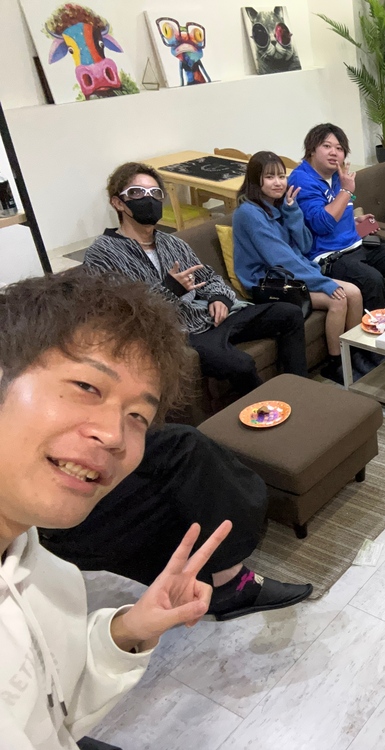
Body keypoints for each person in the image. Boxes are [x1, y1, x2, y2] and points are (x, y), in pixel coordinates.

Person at [0, 268, 234, 749]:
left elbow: (53, 709)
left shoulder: (44, 571)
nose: (114, 435)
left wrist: (129, 630)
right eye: (87, 387)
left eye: (137, 416)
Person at [40, 423, 313, 623]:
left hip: (60, 499)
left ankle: (211, 572)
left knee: (178, 454)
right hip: (62, 528)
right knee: (183, 451)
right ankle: (228, 581)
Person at [84, 162, 308, 399]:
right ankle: (268, 411)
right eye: (137, 192)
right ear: (118, 202)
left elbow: (209, 277)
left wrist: (219, 297)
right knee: (240, 364)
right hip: (179, 334)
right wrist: (170, 290)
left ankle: (298, 390)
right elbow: (123, 314)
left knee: (289, 313)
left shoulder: (172, 243)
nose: (148, 199)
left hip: (208, 317)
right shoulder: (102, 254)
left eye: (155, 193)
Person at [232, 151, 371, 383]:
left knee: (354, 293)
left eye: (281, 176)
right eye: (269, 177)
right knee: (337, 299)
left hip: (290, 276)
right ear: (256, 180)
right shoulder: (248, 213)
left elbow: (305, 245)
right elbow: (280, 259)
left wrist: (292, 211)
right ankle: (335, 364)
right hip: (267, 283)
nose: (278, 182)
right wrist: (323, 283)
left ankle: (355, 355)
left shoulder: (278, 205)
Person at [288, 123, 385, 310]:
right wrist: (346, 191)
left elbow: (335, 208)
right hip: (328, 256)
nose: (334, 153)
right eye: (327, 146)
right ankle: (382, 327)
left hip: (355, 244)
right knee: (372, 280)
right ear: (311, 150)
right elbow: (321, 224)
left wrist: (352, 220)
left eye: (339, 148)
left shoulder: (336, 175)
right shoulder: (301, 180)